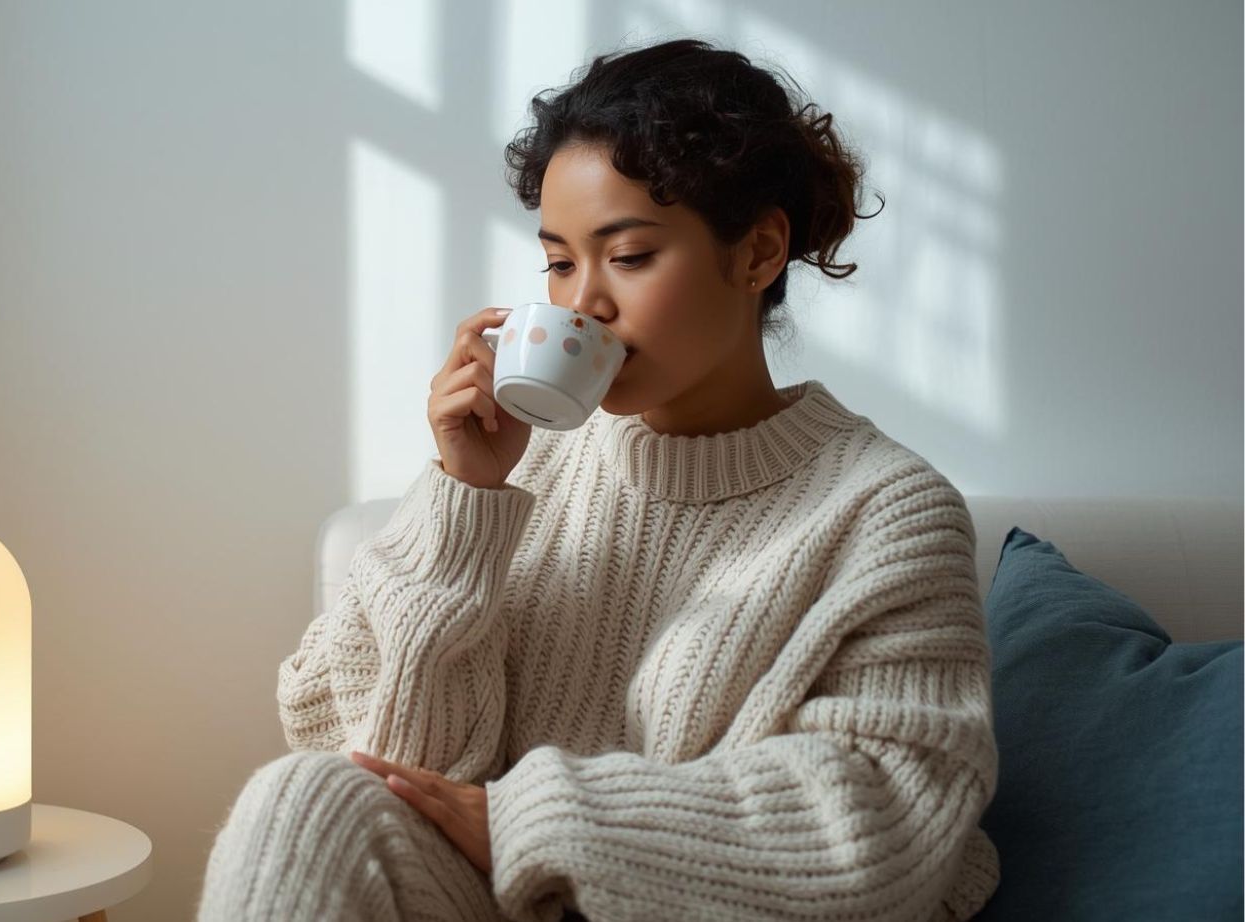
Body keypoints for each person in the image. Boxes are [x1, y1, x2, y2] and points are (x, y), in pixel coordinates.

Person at [198, 36, 999, 922]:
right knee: (300, 799)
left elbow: (884, 826)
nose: (583, 306)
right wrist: (464, 503)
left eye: (628, 256)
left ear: (760, 253)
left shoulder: (888, 511)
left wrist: (532, 821)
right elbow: (393, 769)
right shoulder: (522, 461)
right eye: (558, 260)